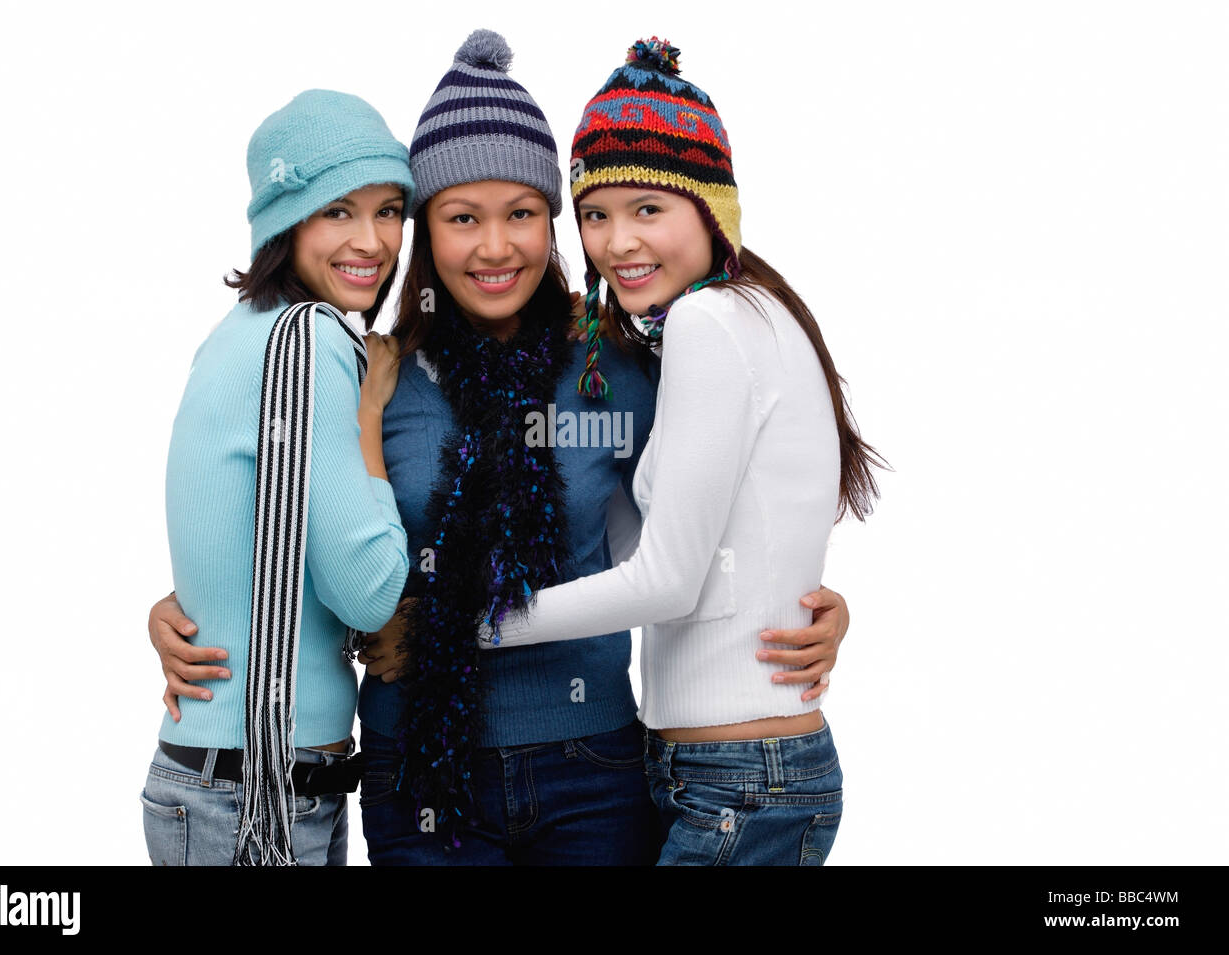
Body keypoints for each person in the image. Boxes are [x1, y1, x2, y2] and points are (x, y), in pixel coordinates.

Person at [148, 30, 853, 866]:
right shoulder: (372, 373)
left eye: (521, 214)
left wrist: (809, 604)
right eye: (460, 219)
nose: (493, 247)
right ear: (423, 232)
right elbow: (298, 527)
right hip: (417, 771)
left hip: (593, 763)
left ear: (554, 222)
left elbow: (716, 506)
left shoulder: (615, 360)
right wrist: (185, 604)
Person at [459, 37, 891, 865]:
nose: (617, 242)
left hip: (740, 778)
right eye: (594, 214)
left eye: (648, 208)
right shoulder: (725, 323)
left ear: (711, 211)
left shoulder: (708, 323)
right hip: (719, 770)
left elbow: (666, 580)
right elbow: (680, 550)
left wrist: (471, 624)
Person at [140, 89, 414, 866]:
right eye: (338, 211)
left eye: (390, 209)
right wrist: (370, 415)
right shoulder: (310, 343)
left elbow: (243, 547)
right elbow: (367, 589)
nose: (372, 240)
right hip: (253, 800)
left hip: (243, 787)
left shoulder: (239, 336)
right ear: (283, 222)